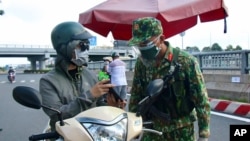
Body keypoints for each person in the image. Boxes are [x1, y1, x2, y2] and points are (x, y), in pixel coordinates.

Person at [128, 17, 210, 141]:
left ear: (161, 39)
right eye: (139, 45)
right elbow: (135, 96)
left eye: (145, 43)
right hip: (152, 130)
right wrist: (133, 128)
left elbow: (201, 99)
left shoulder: (186, 62)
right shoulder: (141, 64)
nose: (142, 48)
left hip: (180, 130)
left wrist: (204, 134)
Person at [39, 21, 115, 132]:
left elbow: (100, 106)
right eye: (82, 45)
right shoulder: (48, 81)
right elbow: (57, 115)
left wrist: (112, 105)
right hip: (65, 135)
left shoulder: (90, 74)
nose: (86, 50)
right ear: (64, 48)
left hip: (93, 134)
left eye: (87, 45)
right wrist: (90, 96)